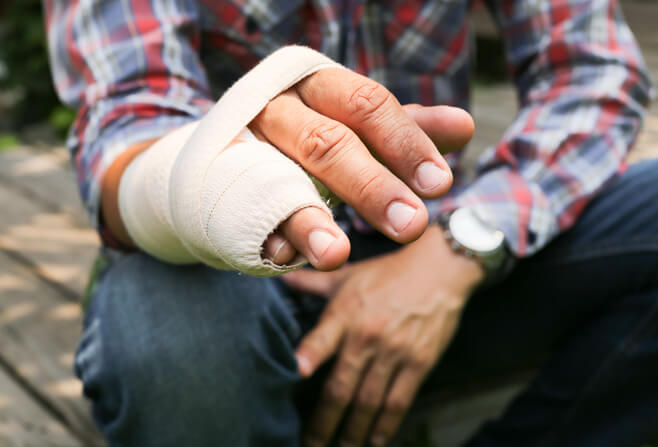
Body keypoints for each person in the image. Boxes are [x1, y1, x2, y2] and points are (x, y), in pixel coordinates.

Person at [44, 0, 658, 445]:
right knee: (172, 336)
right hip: (244, 276)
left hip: (437, 249)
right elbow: (129, 123)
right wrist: (214, 168)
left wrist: (460, 247)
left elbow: (592, 72)